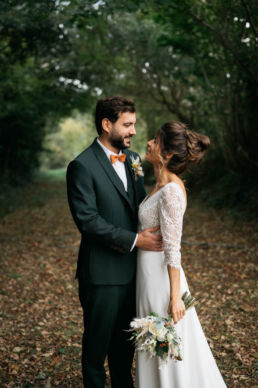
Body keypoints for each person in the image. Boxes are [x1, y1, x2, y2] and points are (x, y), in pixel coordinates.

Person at [66, 96, 163, 388]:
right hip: (102, 275)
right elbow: (88, 221)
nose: (134, 131)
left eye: (133, 124)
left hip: (135, 273)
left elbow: (139, 207)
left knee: (125, 351)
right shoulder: (81, 166)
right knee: (96, 353)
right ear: (107, 124)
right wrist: (135, 240)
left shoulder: (133, 160)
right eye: (128, 124)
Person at [136, 121, 227, 388]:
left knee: (167, 351)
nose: (149, 143)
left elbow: (173, 249)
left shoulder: (172, 191)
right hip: (147, 277)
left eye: (155, 140)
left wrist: (175, 297)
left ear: (166, 155)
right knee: (152, 349)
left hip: (163, 284)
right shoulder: (158, 185)